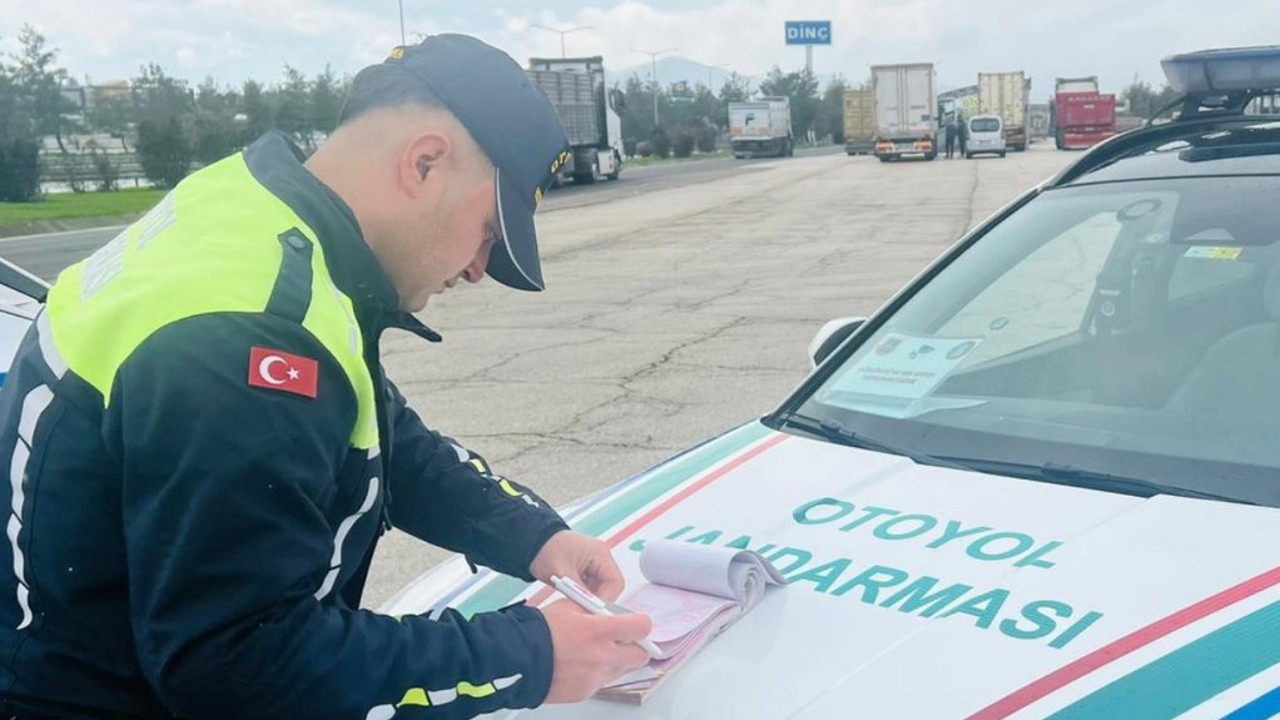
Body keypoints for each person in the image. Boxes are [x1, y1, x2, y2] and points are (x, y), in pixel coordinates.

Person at [0, 34, 652, 720]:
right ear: (425, 162)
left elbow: (366, 430)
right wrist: (529, 655)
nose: (477, 269)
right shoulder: (241, 333)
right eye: (490, 231)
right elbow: (241, 661)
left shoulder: (246, 215)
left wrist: (530, 535)